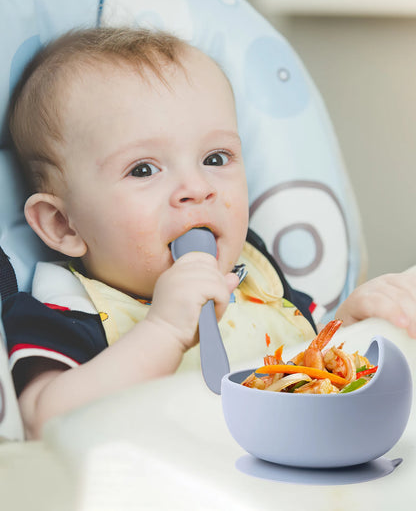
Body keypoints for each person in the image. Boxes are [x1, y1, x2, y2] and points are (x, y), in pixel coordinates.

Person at [3, 27, 416, 440]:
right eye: (144, 169)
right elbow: (44, 421)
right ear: (63, 224)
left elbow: (306, 371)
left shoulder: (255, 276)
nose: (198, 188)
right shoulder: (65, 310)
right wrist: (163, 331)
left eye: (216, 158)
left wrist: (352, 324)